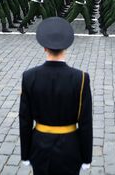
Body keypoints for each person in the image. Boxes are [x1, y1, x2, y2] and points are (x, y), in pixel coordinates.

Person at [19, 17, 92, 175]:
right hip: (70, 147)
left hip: (39, 146)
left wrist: (25, 154)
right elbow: (85, 123)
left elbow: (25, 120)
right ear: (66, 47)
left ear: (44, 47)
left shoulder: (29, 77)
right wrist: (87, 157)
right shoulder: (81, 78)